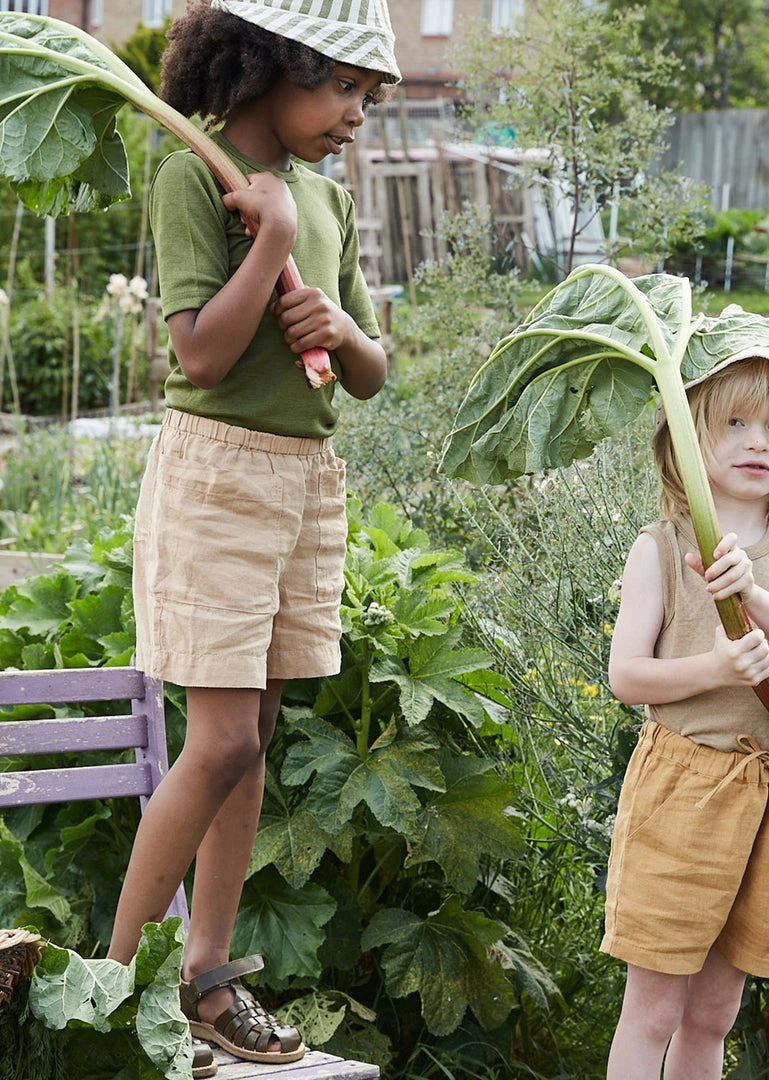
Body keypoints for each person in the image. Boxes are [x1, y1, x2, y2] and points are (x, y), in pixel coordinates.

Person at [104, 0, 400, 1073]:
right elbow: (201, 358)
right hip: (219, 479)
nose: (356, 113)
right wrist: (266, 238)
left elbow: (371, 374)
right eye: (342, 87)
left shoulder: (329, 198)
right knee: (222, 740)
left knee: (256, 738)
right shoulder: (192, 173)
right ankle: (113, 986)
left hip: (305, 482)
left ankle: (207, 982)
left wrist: (343, 327)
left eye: (369, 96)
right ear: (270, 64)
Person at [602, 334, 769, 1080]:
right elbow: (626, 677)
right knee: (654, 1012)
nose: (756, 442)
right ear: (689, 438)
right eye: (734, 423)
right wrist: (714, 666)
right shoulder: (661, 548)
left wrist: (750, 594)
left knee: (712, 1014)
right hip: (686, 791)